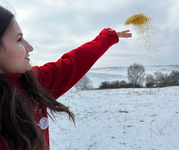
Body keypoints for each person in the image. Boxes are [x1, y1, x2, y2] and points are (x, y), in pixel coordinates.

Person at [0, 5, 132, 150]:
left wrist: (108, 37)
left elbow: (75, 61)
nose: (30, 47)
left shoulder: (34, 81)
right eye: (19, 39)